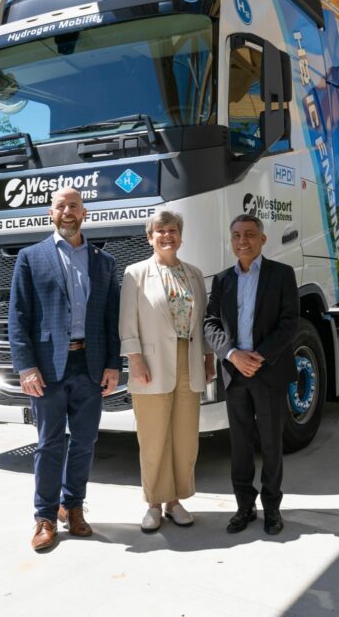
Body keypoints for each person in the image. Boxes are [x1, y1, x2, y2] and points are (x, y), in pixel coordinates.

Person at [8, 187, 121, 552]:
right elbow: (18, 317)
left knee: (85, 442)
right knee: (49, 443)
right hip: (48, 367)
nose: (67, 212)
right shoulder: (31, 257)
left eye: (74, 206)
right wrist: (26, 367)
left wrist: (112, 365)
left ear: (85, 213)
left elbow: (110, 319)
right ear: (50, 213)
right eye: (61, 206)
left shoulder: (104, 263)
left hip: (90, 364)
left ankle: (73, 507)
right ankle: (44, 516)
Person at [119, 211, 215, 531]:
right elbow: (127, 321)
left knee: (185, 437)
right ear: (150, 238)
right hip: (151, 363)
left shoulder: (194, 274)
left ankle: (176, 501)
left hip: (190, 359)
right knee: (154, 437)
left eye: (172, 230)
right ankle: (154, 503)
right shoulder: (136, 273)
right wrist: (134, 358)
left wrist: (209, 358)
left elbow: (202, 324)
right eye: (160, 231)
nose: (167, 236)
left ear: (181, 236)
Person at [203, 214, 298, 535]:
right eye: (236, 235)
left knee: (271, 445)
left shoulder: (282, 275)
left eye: (249, 234)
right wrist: (232, 354)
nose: (242, 241)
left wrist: (259, 356)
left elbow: (290, 322)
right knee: (240, 445)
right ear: (230, 241)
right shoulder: (222, 280)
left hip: (267, 371)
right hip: (235, 373)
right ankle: (245, 507)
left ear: (262, 239)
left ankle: (272, 509)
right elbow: (210, 323)